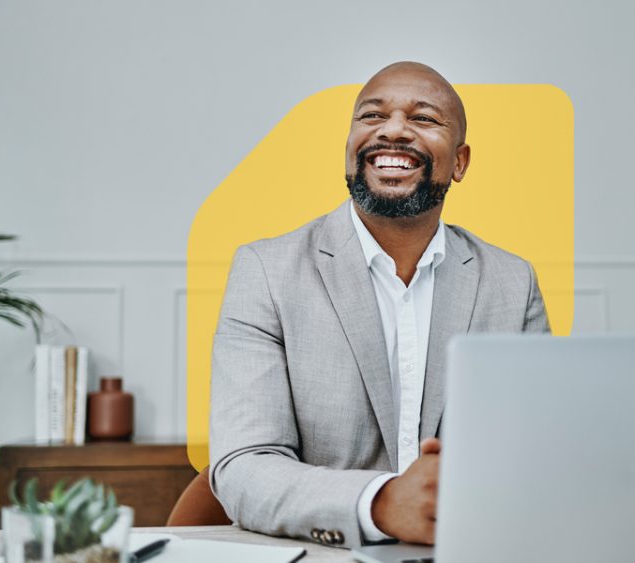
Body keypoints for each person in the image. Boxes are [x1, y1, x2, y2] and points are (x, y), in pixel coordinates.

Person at [209, 61, 550, 549]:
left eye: (424, 119)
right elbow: (243, 467)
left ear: (460, 161)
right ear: (350, 149)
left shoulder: (512, 283)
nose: (393, 130)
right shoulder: (267, 271)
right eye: (371, 116)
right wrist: (382, 502)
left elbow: (536, 453)